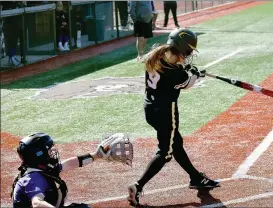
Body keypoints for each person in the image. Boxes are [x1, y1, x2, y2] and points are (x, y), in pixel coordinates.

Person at [127, 28, 220, 206]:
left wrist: (187, 69)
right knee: (166, 152)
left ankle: (195, 177)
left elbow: (175, 68)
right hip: (165, 112)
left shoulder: (158, 56)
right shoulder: (175, 72)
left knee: (175, 143)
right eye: (189, 50)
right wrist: (195, 74)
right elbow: (186, 83)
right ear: (182, 47)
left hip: (151, 109)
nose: (190, 53)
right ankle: (137, 186)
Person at [11, 132, 111, 208]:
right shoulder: (32, 178)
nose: (53, 152)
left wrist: (97, 155)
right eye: (49, 150)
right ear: (39, 155)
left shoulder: (42, 168)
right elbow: (36, 203)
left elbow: (69, 163)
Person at [1, 1, 26, 67]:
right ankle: (12, 57)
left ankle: (13, 57)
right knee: (10, 39)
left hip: (16, 20)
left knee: (14, 40)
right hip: (7, 20)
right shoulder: (5, 5)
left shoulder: (17, 5)